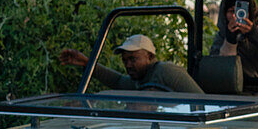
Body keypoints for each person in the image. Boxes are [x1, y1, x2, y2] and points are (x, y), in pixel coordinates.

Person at [59, 34, 202, 93]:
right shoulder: (139, 79)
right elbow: (118, 81)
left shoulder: (167, 72)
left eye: (133, 59)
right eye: (125, 60)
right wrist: (87, 63)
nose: (128, 65)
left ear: (150, 56)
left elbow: (201, 102)